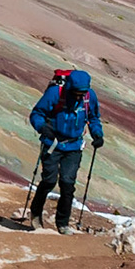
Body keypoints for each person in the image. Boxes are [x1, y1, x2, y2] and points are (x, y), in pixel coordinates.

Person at [26, 68, 104, 234]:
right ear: (69, 88)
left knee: (68, 184)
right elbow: (37, 113)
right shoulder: (55, 94)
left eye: (82, 93)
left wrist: (97, 134)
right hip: (52, 143)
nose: (79, 97)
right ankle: (35, 214)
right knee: (49, 180)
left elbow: (93, 118)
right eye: (76, 93)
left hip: (74, 146)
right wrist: (42, 128)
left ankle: (62, 223)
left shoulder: (89, 97)